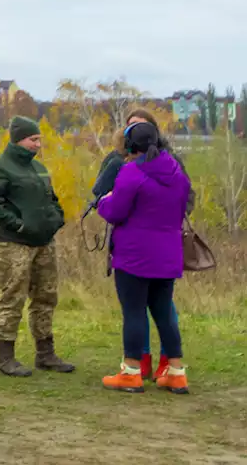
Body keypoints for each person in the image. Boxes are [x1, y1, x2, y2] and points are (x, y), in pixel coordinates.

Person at [91, 108, 192, 381]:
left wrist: (103, 201)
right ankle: (176, 371)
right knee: (164, 313)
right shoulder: (178, 175)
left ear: (130, 145)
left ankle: (132, 371)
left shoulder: (131, 173)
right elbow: (182, 209)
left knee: (134, 312)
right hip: (168, 255)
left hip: (134, 255)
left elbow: (115, 211)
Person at [0, 116, 76, 377]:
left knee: (46, 297)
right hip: (13, 245)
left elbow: (52, 200)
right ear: (19, 139)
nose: (38, 145)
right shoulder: (0, 168)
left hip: (44, 244)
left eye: (39, 140)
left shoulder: (39, 169)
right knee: (12, 298)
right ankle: (6, 357)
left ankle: (45, 354)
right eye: (34, 140)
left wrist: (56, 219)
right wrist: (20, 225)